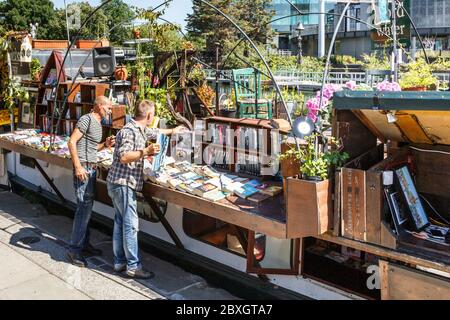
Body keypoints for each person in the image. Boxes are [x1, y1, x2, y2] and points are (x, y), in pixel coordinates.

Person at [107, 100, 185, 279]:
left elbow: (156, 132)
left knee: (120, 222)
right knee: (130, 225)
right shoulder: (129, 131)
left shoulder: (140, 129)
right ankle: (133, 266)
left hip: (120, 183)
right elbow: (124, 156)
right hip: (123, 183)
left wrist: (173, 131)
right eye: (154, 114)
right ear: (149, 116)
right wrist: (146, 151)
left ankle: (119, 261)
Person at [67, 96, 115, 267]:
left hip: (91, 168)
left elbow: (93, 147)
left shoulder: (97, 122)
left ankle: (84, 245)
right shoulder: (86, 119)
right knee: (83, 210)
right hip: (84, 169)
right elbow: (72, 142)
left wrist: (106, 144)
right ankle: (74, 250)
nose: (110, 111)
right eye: (108, 108)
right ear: (99, 106)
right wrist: (78, 167)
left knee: (86, 209)